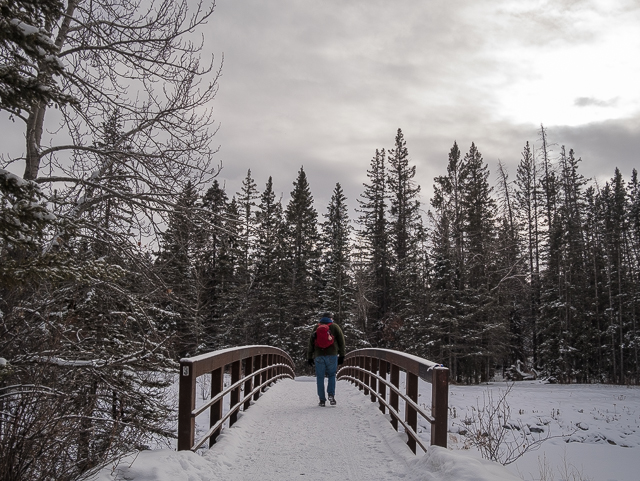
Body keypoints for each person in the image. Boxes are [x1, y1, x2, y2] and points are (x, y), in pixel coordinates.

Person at [307, 312, 345, 406]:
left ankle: (322, 400)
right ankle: (331, 395)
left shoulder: (316, 327)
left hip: (319, 355)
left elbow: (311, 343)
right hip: (332, 355)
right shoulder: (335, 327)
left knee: (320, 377)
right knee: (332, 375)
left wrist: (309, 357)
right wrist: (342, 355)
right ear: (330, 318)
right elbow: (341, 341)